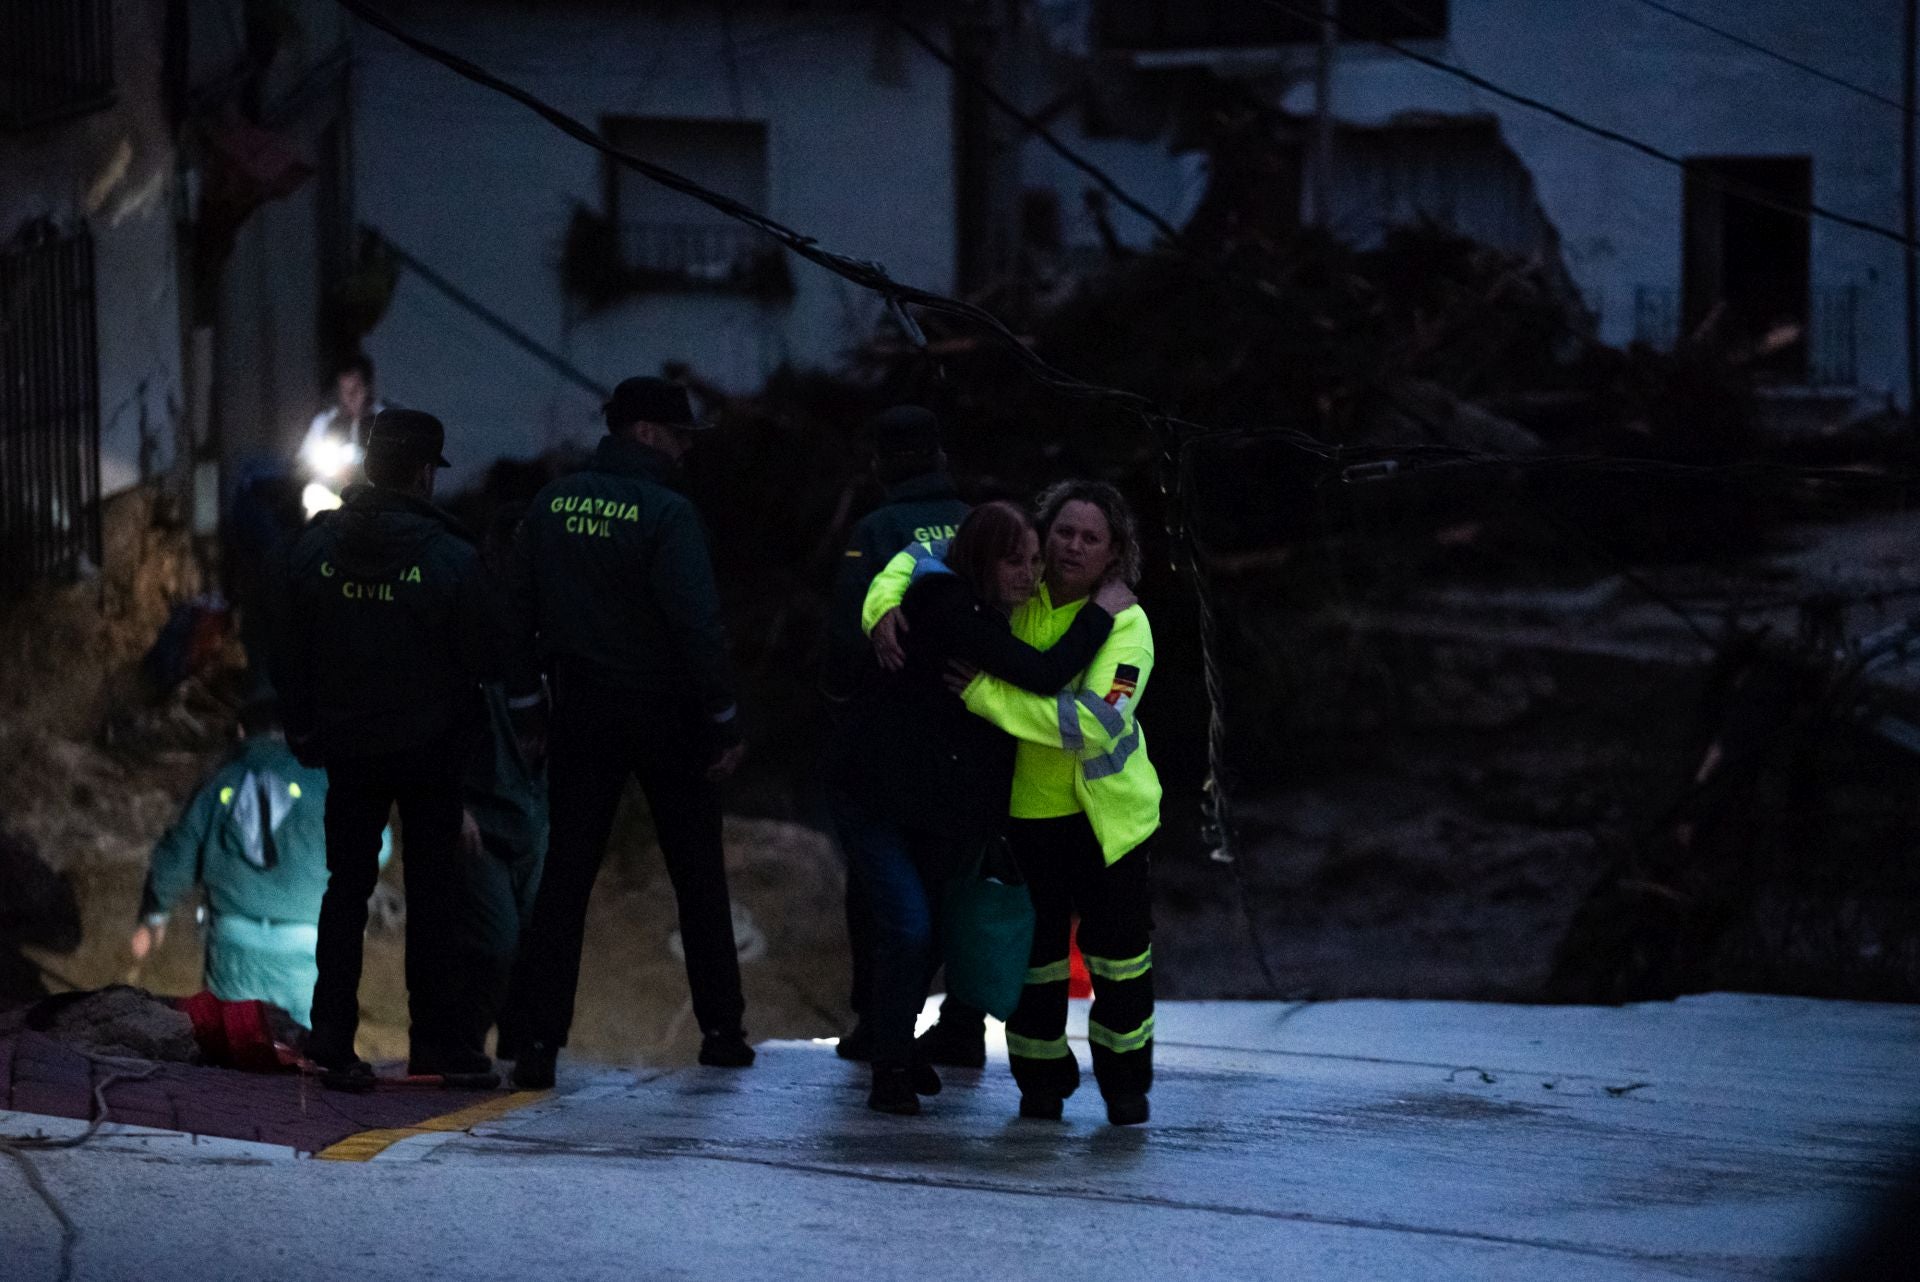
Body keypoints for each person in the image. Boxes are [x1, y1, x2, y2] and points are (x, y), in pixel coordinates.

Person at [865, 481, 1161, 1126]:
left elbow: (1091, 726)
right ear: (1042, 534)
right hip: (1026, 822)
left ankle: (1125, 1086)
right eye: (1063, 533)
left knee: (1120, 965)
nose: (1072, 547)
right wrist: (881, 605)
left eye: (1090, 538)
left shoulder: (1128, 626)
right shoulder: (1013, 593)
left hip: (1108, 824)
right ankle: (1041, 1087)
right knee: (1036, 969)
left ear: (1114, 554)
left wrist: (986, 696)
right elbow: (919, 556)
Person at [503, 376, 751, 1090]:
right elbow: (697, 626)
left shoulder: (552, 504)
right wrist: (722, 718)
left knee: (566, 876)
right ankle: (722, 1032)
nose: (682, 452)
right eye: (677, 437)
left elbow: (514, 614)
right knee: (697, 871)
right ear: (645, 432)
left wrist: (526, 712)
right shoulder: (669, 515)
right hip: (666, 715)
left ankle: (537, 1042)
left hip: (580, 709)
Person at [271, 408, 504, 1088]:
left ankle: (333, 1041)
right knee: (436, 899)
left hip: (349, 747)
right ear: (426, 473)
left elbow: (286, 639)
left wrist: (305, 726)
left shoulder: (317, 547)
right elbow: (488, 654)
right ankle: (436, 1044)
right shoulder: (452, 557)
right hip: (431, 753)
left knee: (345, 891)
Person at [821, 405, 971, 1064]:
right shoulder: (976, 525)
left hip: (890, 735)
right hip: (972, 732)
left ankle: (877, 1021)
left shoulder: (877, 530)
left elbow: (846, 635)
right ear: (940, 455)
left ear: (880, 463)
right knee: (960, 880)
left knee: (879, 888)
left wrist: (838, 695)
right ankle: (964, 1020)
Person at [131, 699, 330, 1026]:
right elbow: (377, 845)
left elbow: (179, 852)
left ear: (240, 732)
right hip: (306, 951)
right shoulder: (322, 781)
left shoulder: (221, 781)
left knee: (232, 1051)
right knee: (305, 1062)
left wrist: (154, 916)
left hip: (234, 948)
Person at [461, 504, 548, 1056]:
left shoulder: (556, 630)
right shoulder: (479, 630)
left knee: (536, 948)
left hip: (536, 816)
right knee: (494, 943)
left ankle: (520, 1054)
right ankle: (464, 1045)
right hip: (485, 814)